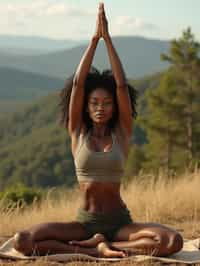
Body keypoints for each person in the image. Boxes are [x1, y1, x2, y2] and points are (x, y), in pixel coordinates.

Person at [13, 2, 183, 258]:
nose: (100, 108)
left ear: (114, 108)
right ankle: (94, 247)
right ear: (87, 107)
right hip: (84, 224)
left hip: (120, 224)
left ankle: (105, 247)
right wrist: (94, 40)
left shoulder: (122, 133)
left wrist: (109, 41)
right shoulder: (77, 131)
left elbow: (122, 85)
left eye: (106, 103)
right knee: (22, 241)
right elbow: (79, 85)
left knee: (173, 241)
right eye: (94, 103)